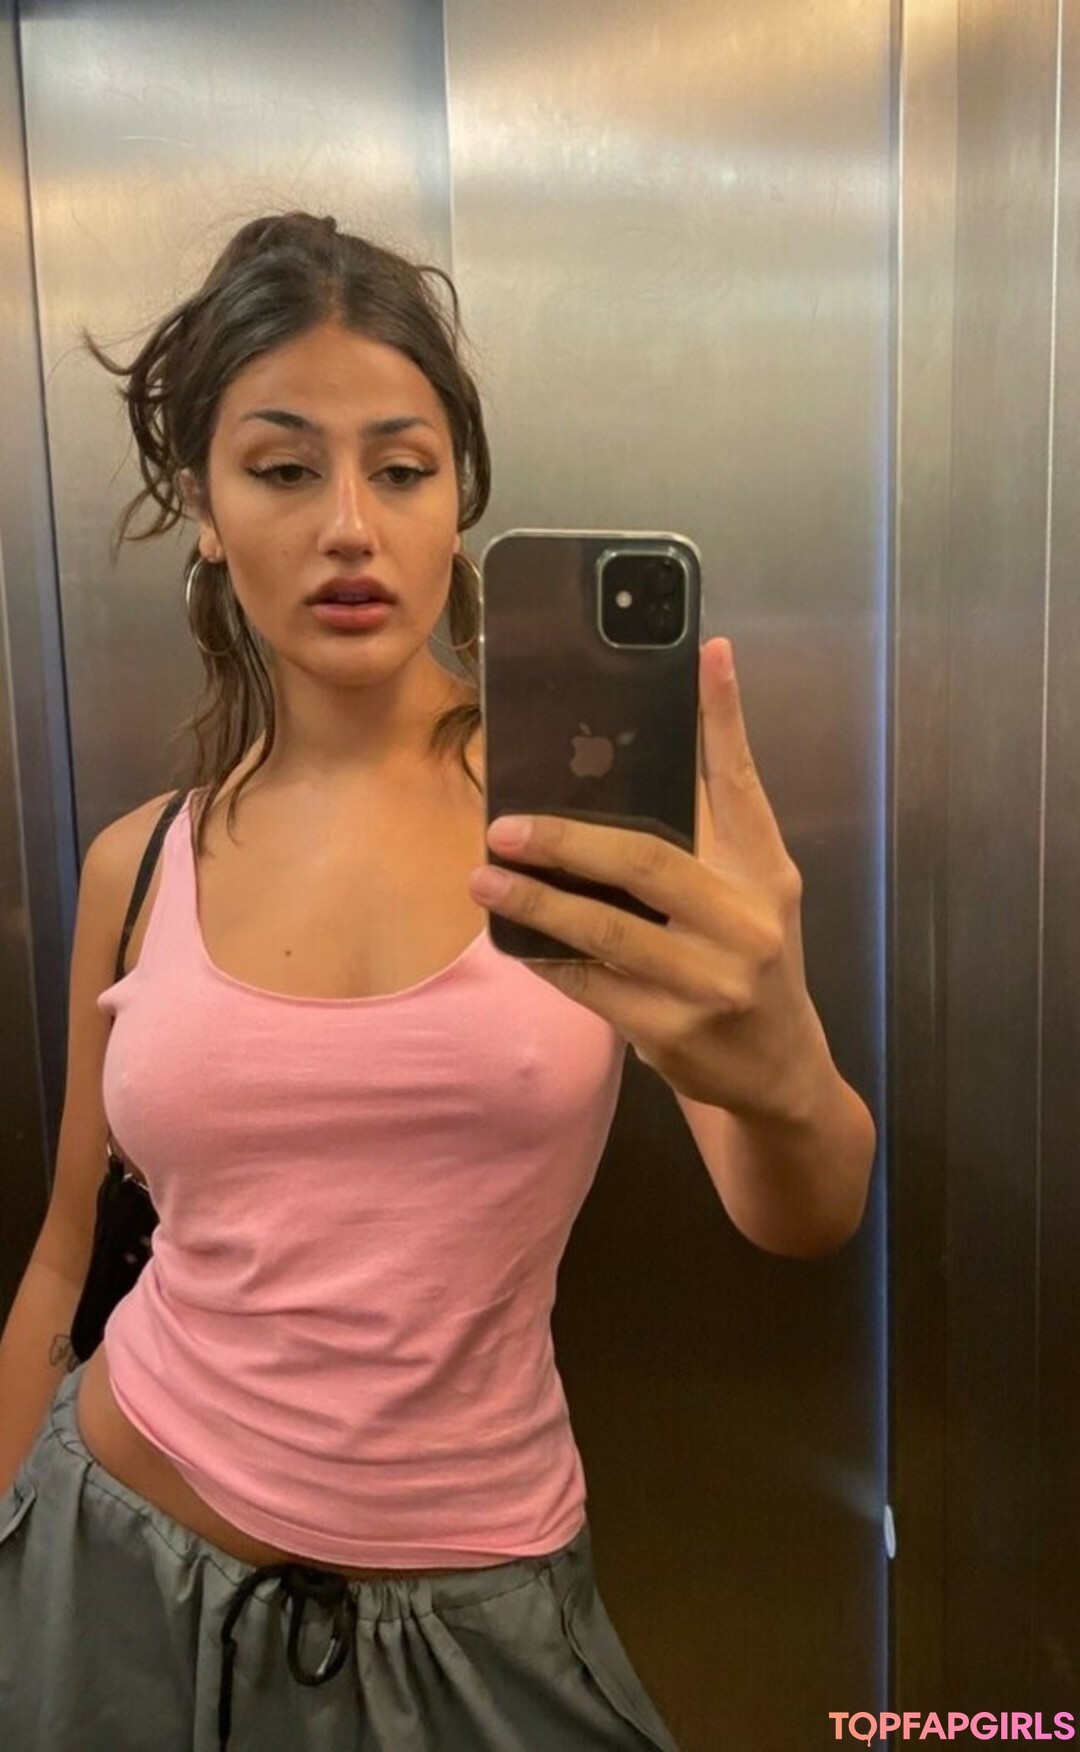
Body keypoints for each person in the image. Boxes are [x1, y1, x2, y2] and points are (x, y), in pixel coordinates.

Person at [0, 212, 875, 1751]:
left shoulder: (581, 834)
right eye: (283, 469)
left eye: (400, 470)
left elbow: (806, 1209)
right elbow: (70, 1259)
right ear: (203, 507)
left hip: (472, 1618)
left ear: (458, 496)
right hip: (104, 1563)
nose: (350, 524)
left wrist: (784, 1065)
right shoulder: (138, 863)